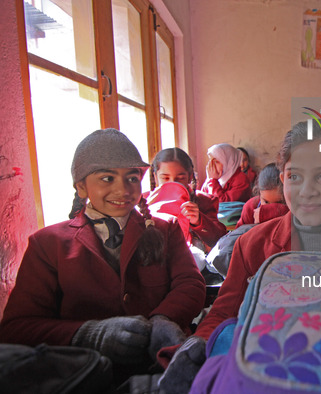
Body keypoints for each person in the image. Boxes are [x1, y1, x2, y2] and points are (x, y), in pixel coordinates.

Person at [158, 120, 321, 393]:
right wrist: (199, 343)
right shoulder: (253, 245)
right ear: (282, 180)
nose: (307, 191)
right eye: (295, 176)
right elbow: (225, 311)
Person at [0, 129, 206, 382]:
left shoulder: (166, 228)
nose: (123, 189)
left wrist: (163, 319)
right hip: (86, 375)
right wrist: (89, 334)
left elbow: (190, 283)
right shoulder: (47, 244)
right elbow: (17, 328)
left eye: (132, 178)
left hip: (160, 364)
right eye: (107, 178)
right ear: (81, 187)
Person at [147, 147, 226, 248]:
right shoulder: (146, 203)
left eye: (180, 178)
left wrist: (198, 221)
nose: (173, 183)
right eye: (165, 178)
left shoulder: (204, 201)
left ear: (189, 177)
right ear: (155, 177)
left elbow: (219, 239)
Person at [236, 163, 289, 228]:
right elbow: (239, 234)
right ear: (259, 193)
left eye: (278, 203)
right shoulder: (250, 208)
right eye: (266, 202)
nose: (271, 208)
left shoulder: (294, 208)